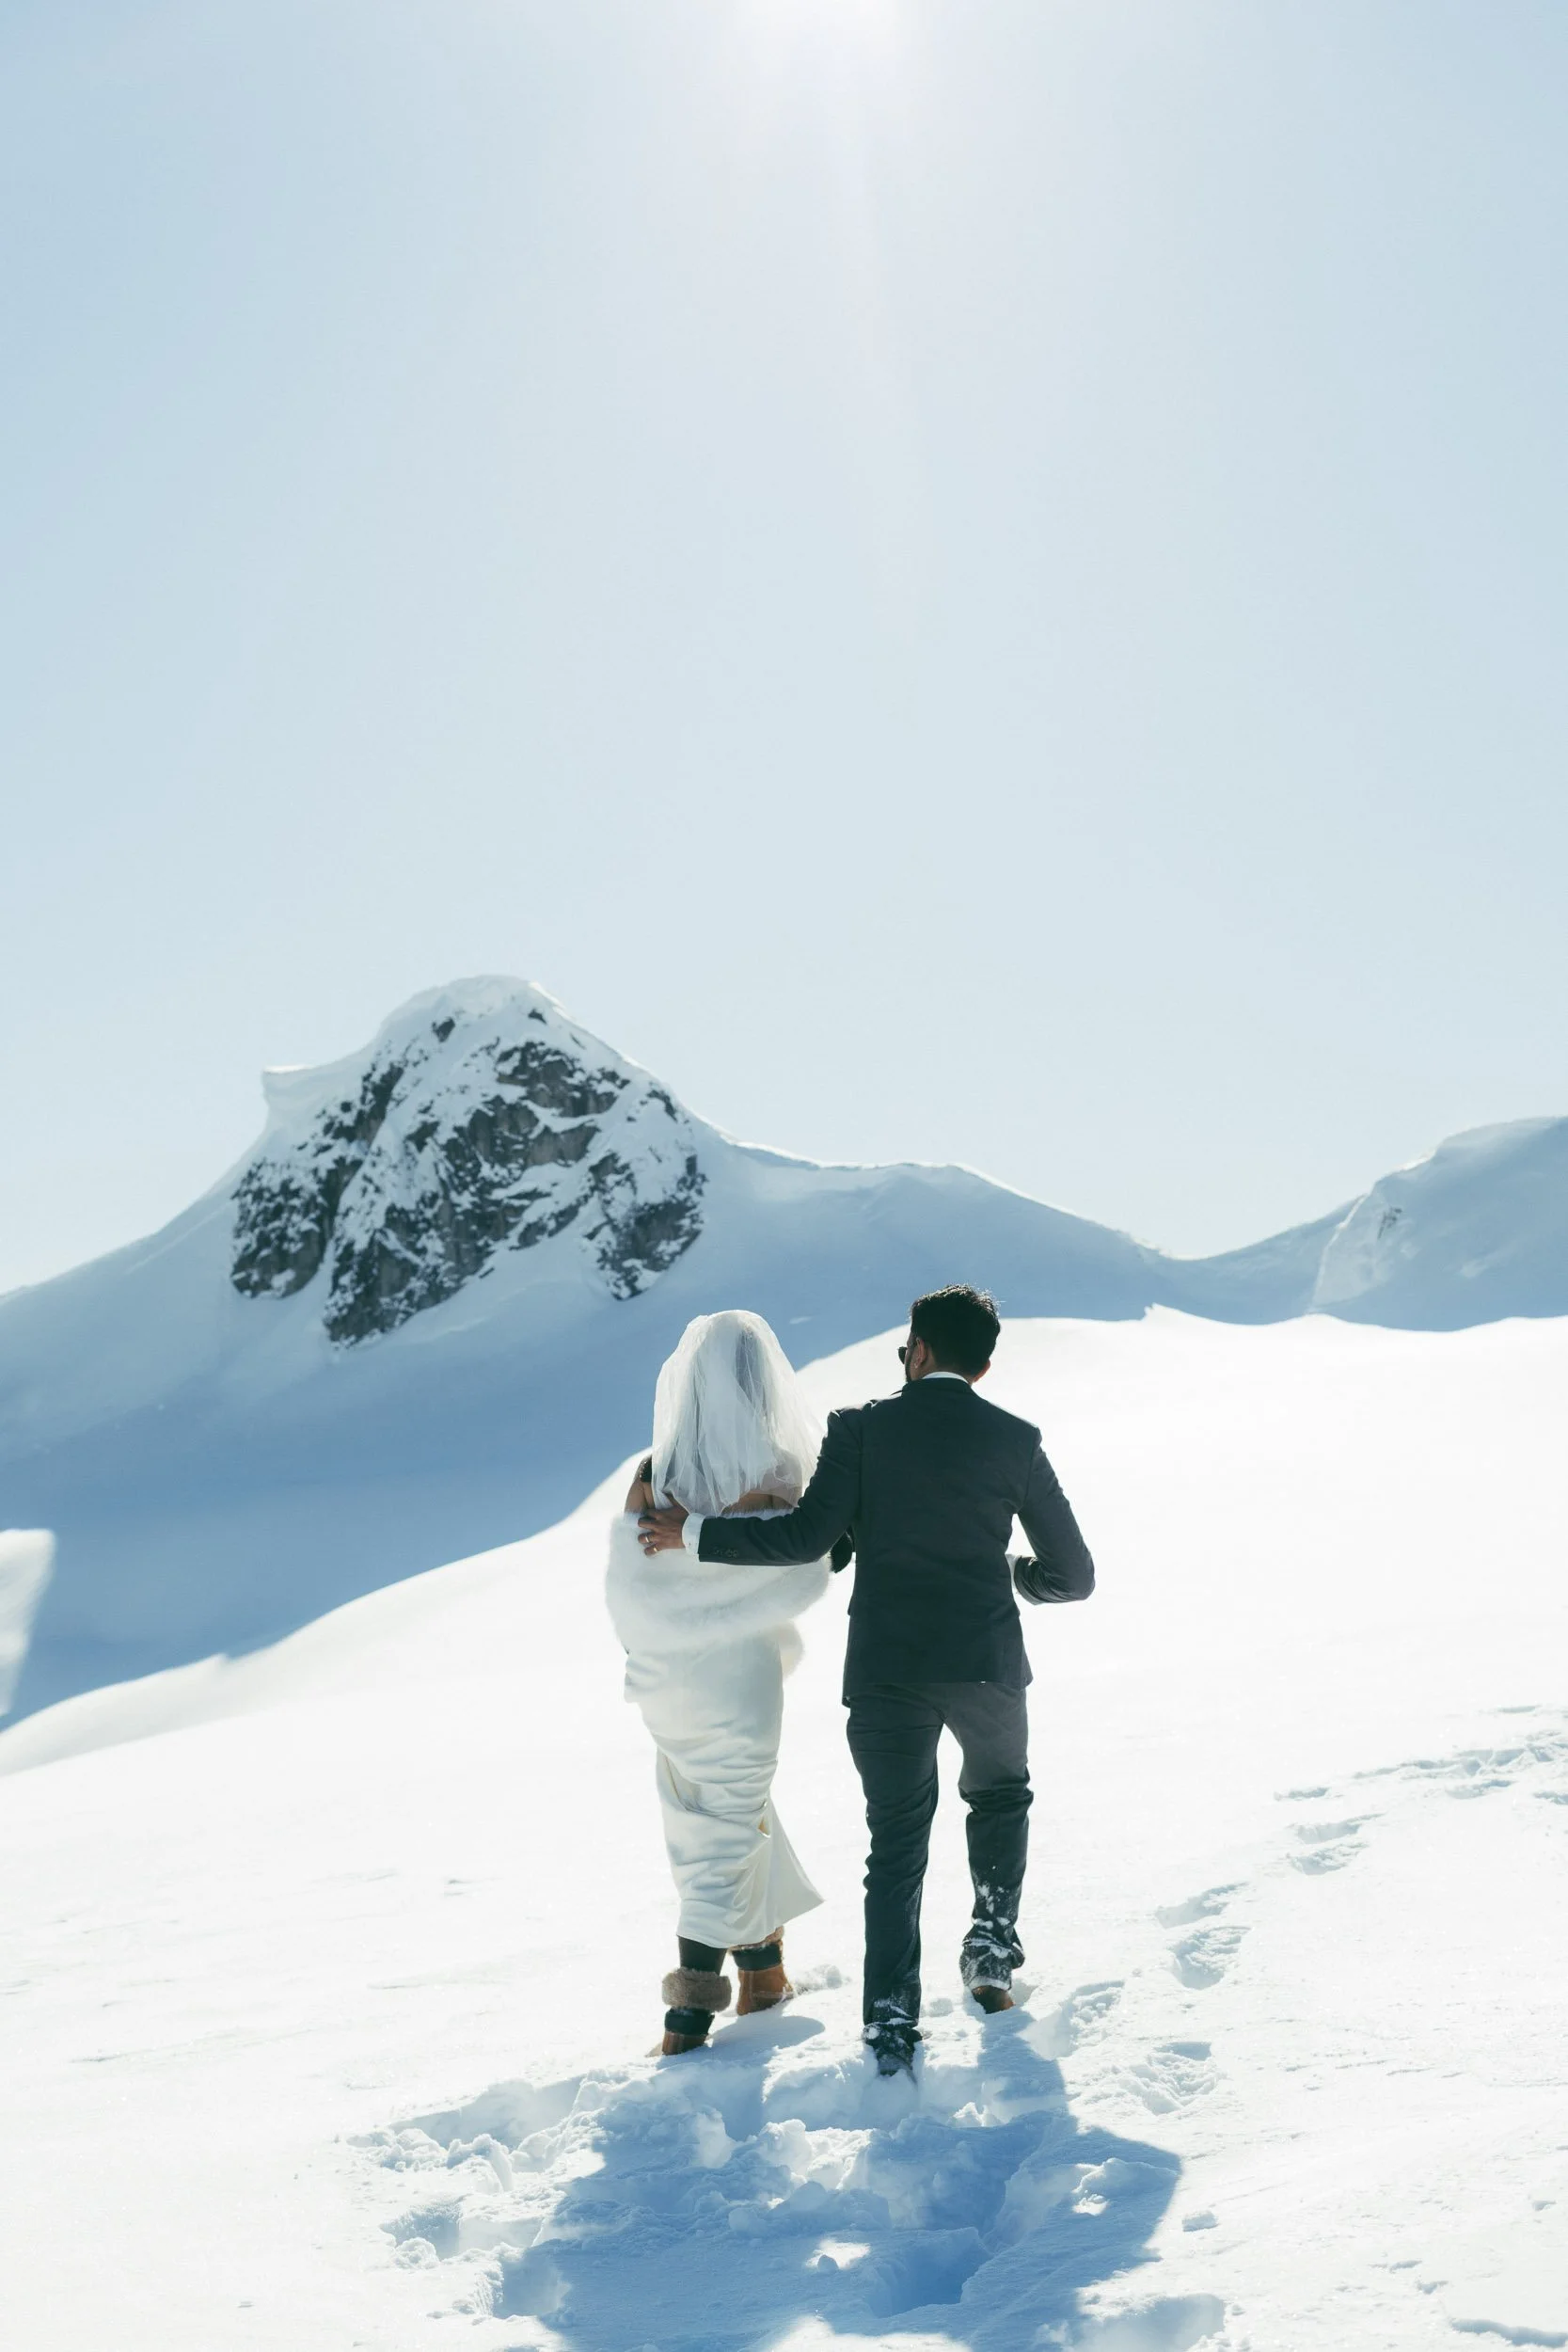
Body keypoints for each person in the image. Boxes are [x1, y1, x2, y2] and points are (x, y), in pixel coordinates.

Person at [639, 1283, 1095, 2078]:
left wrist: (694, 1531)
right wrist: (1015, 1575)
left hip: (886, 1670)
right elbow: (1075, 1575)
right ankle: (989, 1955)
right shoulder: (1016, 1439)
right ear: (982, 1367)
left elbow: (808, 1537)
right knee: (998, 1799)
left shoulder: (860, 1428)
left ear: (917, 1351)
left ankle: (890, 2021)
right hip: (985, 1664)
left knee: (895, 1847)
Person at [606, 1310, 838, 2057]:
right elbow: (809, 1556)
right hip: (735, 1678)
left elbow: (633, 1574)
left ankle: (764, 1977)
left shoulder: (653, 1470)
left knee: (709, 1815)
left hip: (666, 1678)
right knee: (727, 1829)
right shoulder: (777, 1471)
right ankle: (687, 2021)